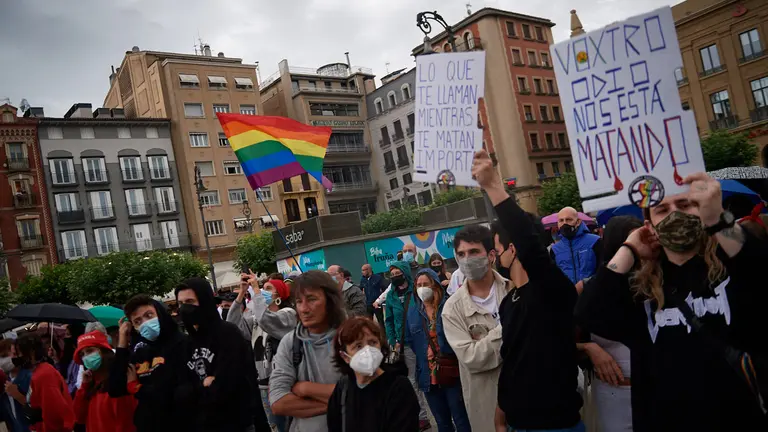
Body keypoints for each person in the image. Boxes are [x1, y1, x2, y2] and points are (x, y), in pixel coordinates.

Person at [575, 172, 768, 431]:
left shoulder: (731, 268)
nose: (674, 214)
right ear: (650, 224)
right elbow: (588, 311)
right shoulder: (640, 290)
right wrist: (630, 249)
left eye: (685, 204)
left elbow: (759, 270)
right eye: (662, 210)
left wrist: (719, 219)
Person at [473, 149, 584, 431]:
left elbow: (530, 246)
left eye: (496, 250)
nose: (494, 258)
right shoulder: (510, 301)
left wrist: (493, 186)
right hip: (517, 422)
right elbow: (512, 360)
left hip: (555, 424)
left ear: (513, 249)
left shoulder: (551, 289)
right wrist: (502, 410)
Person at [175, 277, 270, 432]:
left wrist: (197, 390)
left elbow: (227, 386)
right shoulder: (186, 343)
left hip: (235, 423)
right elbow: (180, 392)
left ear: (204, 301)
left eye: (190, 302)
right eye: (180, 303)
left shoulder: (228, 334)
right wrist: (203, 385)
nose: (184, 308)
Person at [576, 216, 642, 432]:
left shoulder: (659, 285)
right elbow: (558, 336)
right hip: (612, 398)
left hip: (658, 394)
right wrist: (588, 348)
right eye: (630, 243)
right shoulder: (589, 290)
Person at [441, 223, 510, 432]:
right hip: (487, 404)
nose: (467, 259)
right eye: (461, 254)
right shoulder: (452, 309)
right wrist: (509, 326)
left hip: (529, 397)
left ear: (491, 255)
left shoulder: (513, 289)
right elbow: (472, 358)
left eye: (473, 252)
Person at [269, 270, 345, 432]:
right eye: (299, 301)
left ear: (330, 301)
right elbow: (278, 402)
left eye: (311, 299)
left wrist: (305, 389)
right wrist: (340, 404)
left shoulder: (352, 336)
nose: (304, 309)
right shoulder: (290, 342)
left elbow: (367, 393)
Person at [110, 294, 195, 432]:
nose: (145, 323)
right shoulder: (141, 351)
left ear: (160, 314)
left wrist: (137, 388)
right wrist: (122, 342)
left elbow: (175, 393)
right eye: (137, 321)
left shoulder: (183, 344)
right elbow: (115, 388)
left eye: (149, 315)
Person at [406, 268, 471, 432]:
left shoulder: (449, 306)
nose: (422, 288)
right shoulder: (413, 312)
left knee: (461, 419)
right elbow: (410, 340)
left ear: (435, 285)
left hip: (451, 371)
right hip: (428, 376)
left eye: (425, 284)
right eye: (419, 285)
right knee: (442, 422)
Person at [327, 317, 419, 431]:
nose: (368, 351)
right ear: (345, 356)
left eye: (373, 342)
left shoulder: (398, 387)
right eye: (358, 346)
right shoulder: (343, 388)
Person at [235, 274, 297, 432]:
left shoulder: (288, 314)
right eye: (262, 288)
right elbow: (232, 326)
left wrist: (256, 291)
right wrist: (241, 294)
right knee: (275, 428)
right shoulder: (256, 319)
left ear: (279, 295)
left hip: (285, 383)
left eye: (268, 288)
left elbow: (266, 320)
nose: (263, 291)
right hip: (263, 384)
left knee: (290, 426)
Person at [383, 261, 430, 431]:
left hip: (423, 340)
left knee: (427, 376)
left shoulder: (416, 290)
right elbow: (388, 320)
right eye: (392, 275)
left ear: (405, 273)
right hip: (404, 344)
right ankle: (422, 416)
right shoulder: (391, 295)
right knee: (412, 380)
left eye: (398, 273)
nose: (395, 277)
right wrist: (392, 340)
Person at [5, 333, 74, 432]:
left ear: (31, 353)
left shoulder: (43, 375)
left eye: (17, 354)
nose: (14, 358)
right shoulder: (39, 372)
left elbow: (53, 414)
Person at [73, 331, 137, 432]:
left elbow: (125, 424)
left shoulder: (118, 383)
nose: (85, 357)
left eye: (90, 351)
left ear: (104, 352)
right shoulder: (92, 385)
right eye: (82, 354)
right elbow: (79, 417)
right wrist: (84, 387)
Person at [550, 206, 602, 290]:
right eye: (561, 220)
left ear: (578, 222)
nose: (564, 223)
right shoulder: (555, 249)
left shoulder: (595, 241)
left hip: (592, 293)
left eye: (569, 220)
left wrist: (585, 285)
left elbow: (602, 270)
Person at [0, 339, 31, 432]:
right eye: (2, 357)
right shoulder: (6, 381)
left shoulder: (28, 376)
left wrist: (17, 395)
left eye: (6, 356)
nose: (3, 360)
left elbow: (37, 407)